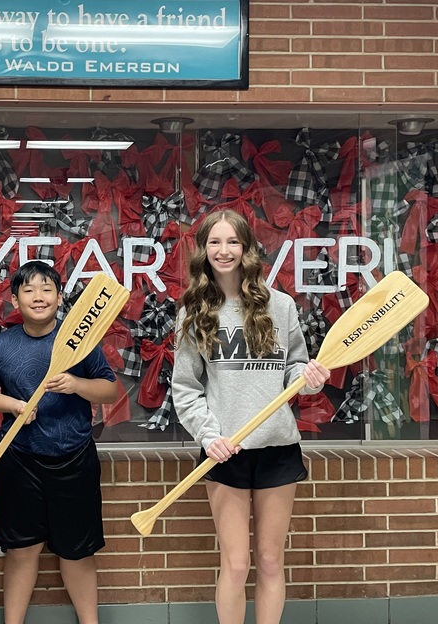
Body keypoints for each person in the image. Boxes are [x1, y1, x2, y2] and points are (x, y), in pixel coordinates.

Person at [171, 209, 329, 624]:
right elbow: (185, 388)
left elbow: (296, 369)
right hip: (226, 452)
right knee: (236, 565)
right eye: (215, 243)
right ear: (204, 250)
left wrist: (310, 377)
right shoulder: (193, 312)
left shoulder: (280, 305)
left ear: (247, 248)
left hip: (277, 447)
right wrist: (208, 436)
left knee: (270, 560)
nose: (224, 251)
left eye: (233, 242)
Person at [0, 260, 118, 624]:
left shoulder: (80, 342)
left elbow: (110, 388)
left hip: (75, 458)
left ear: (59, 296)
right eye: (28, 290)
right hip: (19, 460)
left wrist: (77, 384)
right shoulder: (2, 345)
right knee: (21, 550)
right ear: (15, 299)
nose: (38, 297)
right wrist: (13, 405)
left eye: (46, 289)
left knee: (77, 552)